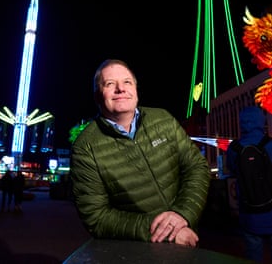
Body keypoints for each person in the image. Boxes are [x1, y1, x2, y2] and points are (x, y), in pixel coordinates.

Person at [70, 59, 210, 247]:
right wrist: (166, 232)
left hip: (187, 236)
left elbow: (197, 167)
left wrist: (183, 214)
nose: (121, 89)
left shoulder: (163, 119)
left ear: (135, 89)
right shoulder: (85, 147)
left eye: (127, 82)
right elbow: (97, 217)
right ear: (97, 95)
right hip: (136, 249)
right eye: (110, 84)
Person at [226, 106, 272, 264]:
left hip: (249, 216)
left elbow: (232, 169)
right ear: (261, 121)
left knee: (253, 256)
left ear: (241, 123)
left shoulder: (234, 149)